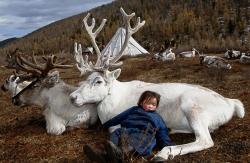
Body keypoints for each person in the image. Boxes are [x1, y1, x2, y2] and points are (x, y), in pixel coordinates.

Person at [84, 90, 172, 162]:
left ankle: (120, 154)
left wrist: (168, 147)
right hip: (127, 130)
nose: (150, 106)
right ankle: (106, 152)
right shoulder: (134, 109)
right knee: (117, 132)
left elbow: (163, 132)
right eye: (148, 103)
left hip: (144, 133)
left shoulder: (157, 117)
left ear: (156, 107)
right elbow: (119, 117)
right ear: (141, 102)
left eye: (153, 105)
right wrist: (105, 125)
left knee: (140, 140)